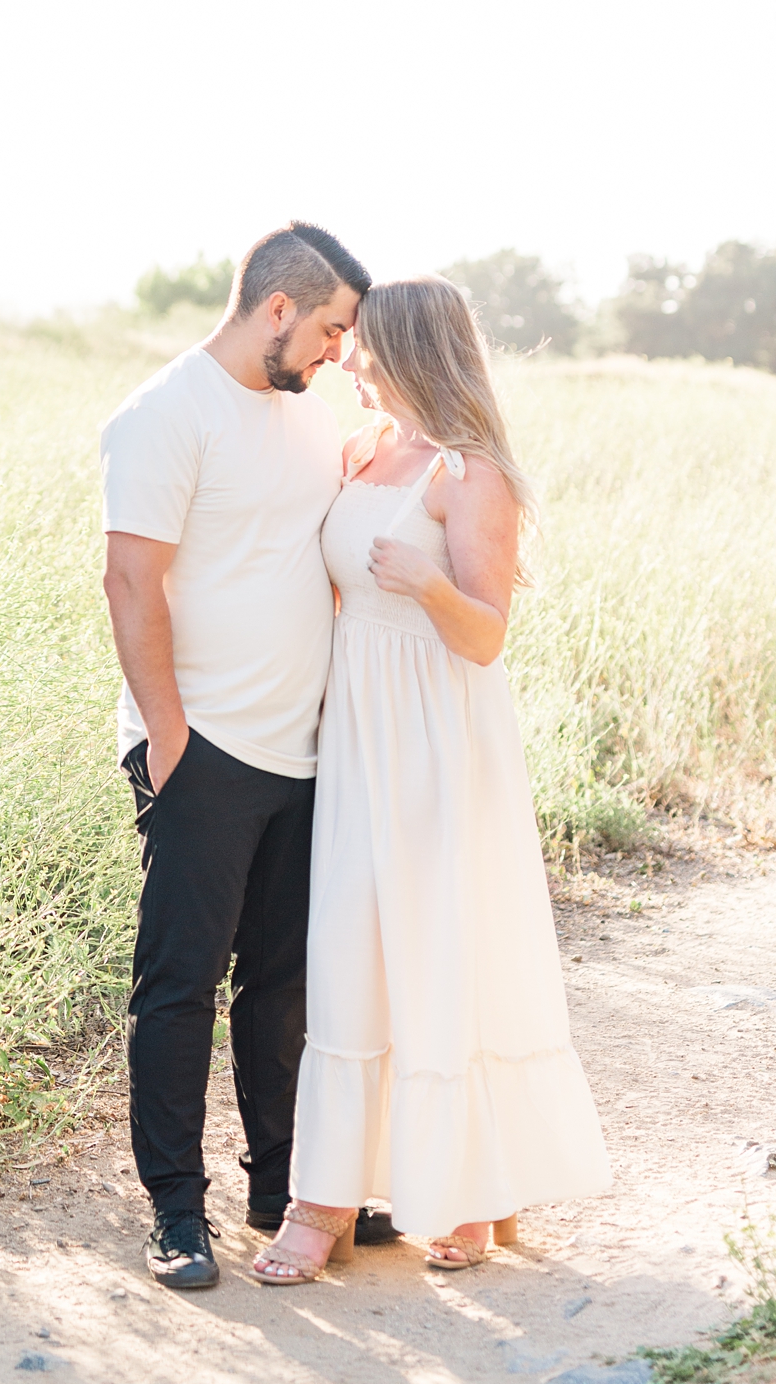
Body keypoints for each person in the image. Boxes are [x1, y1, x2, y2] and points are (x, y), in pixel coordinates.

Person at [254, 276, 611, 1285]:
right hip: (357, 728)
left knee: (442, 945)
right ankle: (325, 1197)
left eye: (364, 345)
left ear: (409, 352)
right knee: (352, 950)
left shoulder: (470, 473)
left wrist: (426, 583)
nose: (348, 359)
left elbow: (487, 637)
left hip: (440, 739)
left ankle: (468, 1191)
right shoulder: (361, 452)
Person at [99, 220, 372, 1291]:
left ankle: (280, 1191)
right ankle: (175, 1210)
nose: (337, 352)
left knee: (284, 986)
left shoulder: (317, 409)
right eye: (330, 329)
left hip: (307, 754)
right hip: (203, 747)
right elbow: (132, 581)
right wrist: (170, 737)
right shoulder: (164, 414)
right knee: (179, 986)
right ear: (277, 310)